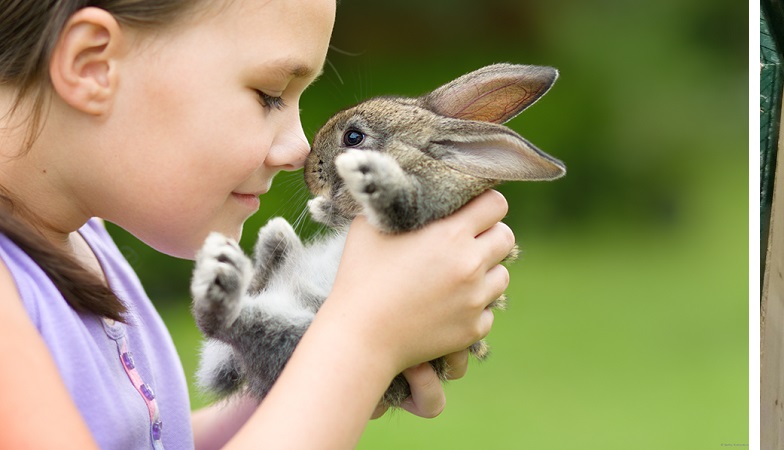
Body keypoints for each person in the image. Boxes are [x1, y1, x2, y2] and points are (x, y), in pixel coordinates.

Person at [0, 0, 514, 448]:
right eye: (269, 94)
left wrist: (315, 369)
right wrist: (360, 343)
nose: (299, 148)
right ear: (93, 65)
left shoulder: (80, 239)